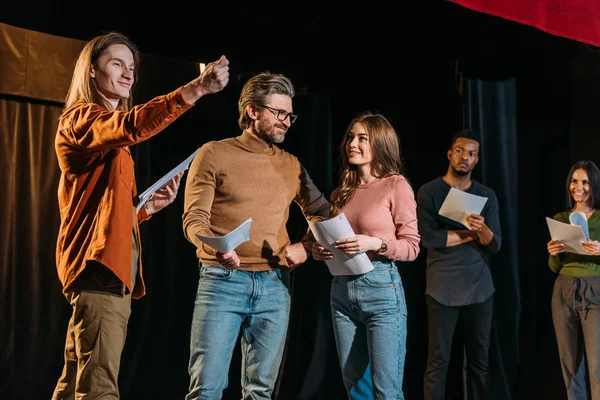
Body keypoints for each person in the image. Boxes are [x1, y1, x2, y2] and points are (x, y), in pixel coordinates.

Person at [52, 32, 229, 400]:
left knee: (74, 385)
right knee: (99, 389)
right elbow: (131, 126)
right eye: (117, 63)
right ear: (91, 72)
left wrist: (145, 208)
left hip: (104, 268)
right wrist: (195, 89)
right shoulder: (81, 120)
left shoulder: (106, 139)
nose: (128, 73)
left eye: (131, 67)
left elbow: (106, 211)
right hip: (98, 269)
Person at [182, 71, 330, 399]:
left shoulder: (291, 164)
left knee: (260, 391)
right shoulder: (214, 153)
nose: (287, 122)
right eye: (279, 113)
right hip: (222, 281)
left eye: (290, 115)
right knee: (206, 388)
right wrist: (215, 246)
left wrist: (307, 247)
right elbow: (194, 219)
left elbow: (323, 212)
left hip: (274, 286)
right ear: (253, 111)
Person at [309, 112, 420, 399]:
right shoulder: (340, 193)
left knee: (386, 391)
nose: (352, 144)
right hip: (342, 293)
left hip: (382, 291)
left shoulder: (396, 185)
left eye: (362, 138)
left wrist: (374, 243)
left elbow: (412, 247)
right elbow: (333, 241)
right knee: (356, 389)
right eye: (350, 137)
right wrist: (320, 251)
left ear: (380, 143)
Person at [416, 129, 502, 400]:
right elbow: (430, 239)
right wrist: (469, 234)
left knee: (480, 362)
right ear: (450, 154)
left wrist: (482, 229)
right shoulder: (430, 191)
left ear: (477, 160)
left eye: (472, 154)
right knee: (437, 361)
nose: (465, 157)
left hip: (479, 287)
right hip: (442, 287)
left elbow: (496, 244)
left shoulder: (486, 195)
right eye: (461, 151)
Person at [547, 160, 600, 400]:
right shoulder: (561, 217)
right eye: (575, 181)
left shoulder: (599, 217)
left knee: (597, 364)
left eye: (585, 182)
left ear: (594, 185)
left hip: (594, 289)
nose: (579, 187)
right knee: (570, 364)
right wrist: (554, 254)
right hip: (564, 289)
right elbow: (554, 267)